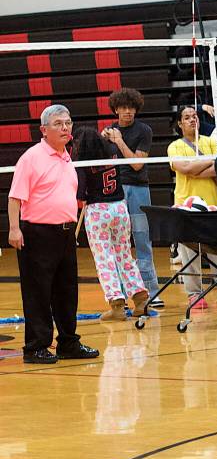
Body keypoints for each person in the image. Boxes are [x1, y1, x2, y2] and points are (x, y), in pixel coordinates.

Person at [8, 104, 99, 364]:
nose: (65, 128)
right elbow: (15, 197)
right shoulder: (31, 157)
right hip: (37, 233)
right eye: (58, 123)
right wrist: (14, 229)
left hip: (65, 233)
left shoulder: (66, 156)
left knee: (67, 290)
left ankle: (68, 342)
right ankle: (35, 347)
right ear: (43, 130)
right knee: (38, 292)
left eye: (68, 123)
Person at [73, 126, 149, 321]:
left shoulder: (82, 162)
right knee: (124, 254)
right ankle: (140, 299)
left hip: (98, 210)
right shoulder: (112, 151)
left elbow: (80, 194)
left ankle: (116, 304)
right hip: (120, 207)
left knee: (104, 258)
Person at [167, 105, 217, 309]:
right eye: (187, 117)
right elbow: (185, 168)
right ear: (180, 123)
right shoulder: (174, 146)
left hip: (212, 203)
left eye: (195, 116)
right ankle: (194, 295)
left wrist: (196, 167)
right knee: (189, 253)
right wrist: (207, 162)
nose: (192, 120)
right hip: (185, 205)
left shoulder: (211, 141)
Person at [106, 88, 162, 306]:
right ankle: (120, 295)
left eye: (131, 108)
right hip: (114, 191)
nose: (128, 112)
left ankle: (151, 292)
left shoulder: (143, 130)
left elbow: (137, 164)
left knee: (142, 239)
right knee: (118, 243)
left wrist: (118, 141)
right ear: (116, 109)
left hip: (138, 189)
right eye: (123, 108)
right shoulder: (108, 131)